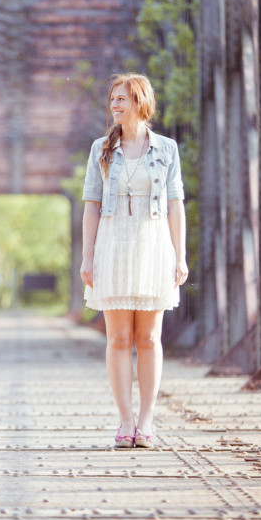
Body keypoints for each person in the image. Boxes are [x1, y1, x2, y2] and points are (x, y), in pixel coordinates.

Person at [80, 73, 188, 449]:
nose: (115, 106)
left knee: (149, 337)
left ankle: (146, 420)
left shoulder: (167, 149)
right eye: (112, 100)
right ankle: (125, 420)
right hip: (112, 247)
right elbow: (91, 206)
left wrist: (180, 255)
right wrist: (87, 256)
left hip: (153, 247)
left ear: (140, 102)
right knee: (119, 338)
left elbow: (176, 206)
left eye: (122, 99)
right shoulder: (101, 150)